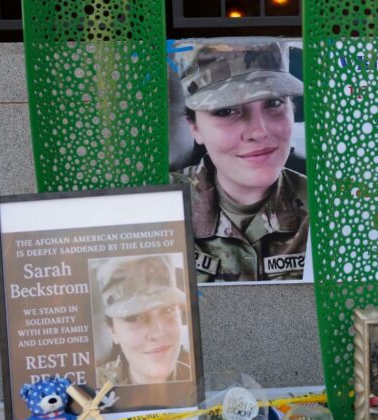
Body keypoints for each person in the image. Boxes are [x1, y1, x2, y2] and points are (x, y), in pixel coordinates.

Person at [172, 40, 309, 282]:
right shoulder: (161, 209)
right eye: (226, 111)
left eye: (274, 103)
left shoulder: (331, 211)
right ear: (194, 127)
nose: (258, 131)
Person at [96, 255, 192, 386]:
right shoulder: (91, 386)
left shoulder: (201, 381)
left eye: (168, 310)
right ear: (113, 331)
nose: (158, 333)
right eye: (135, 317)